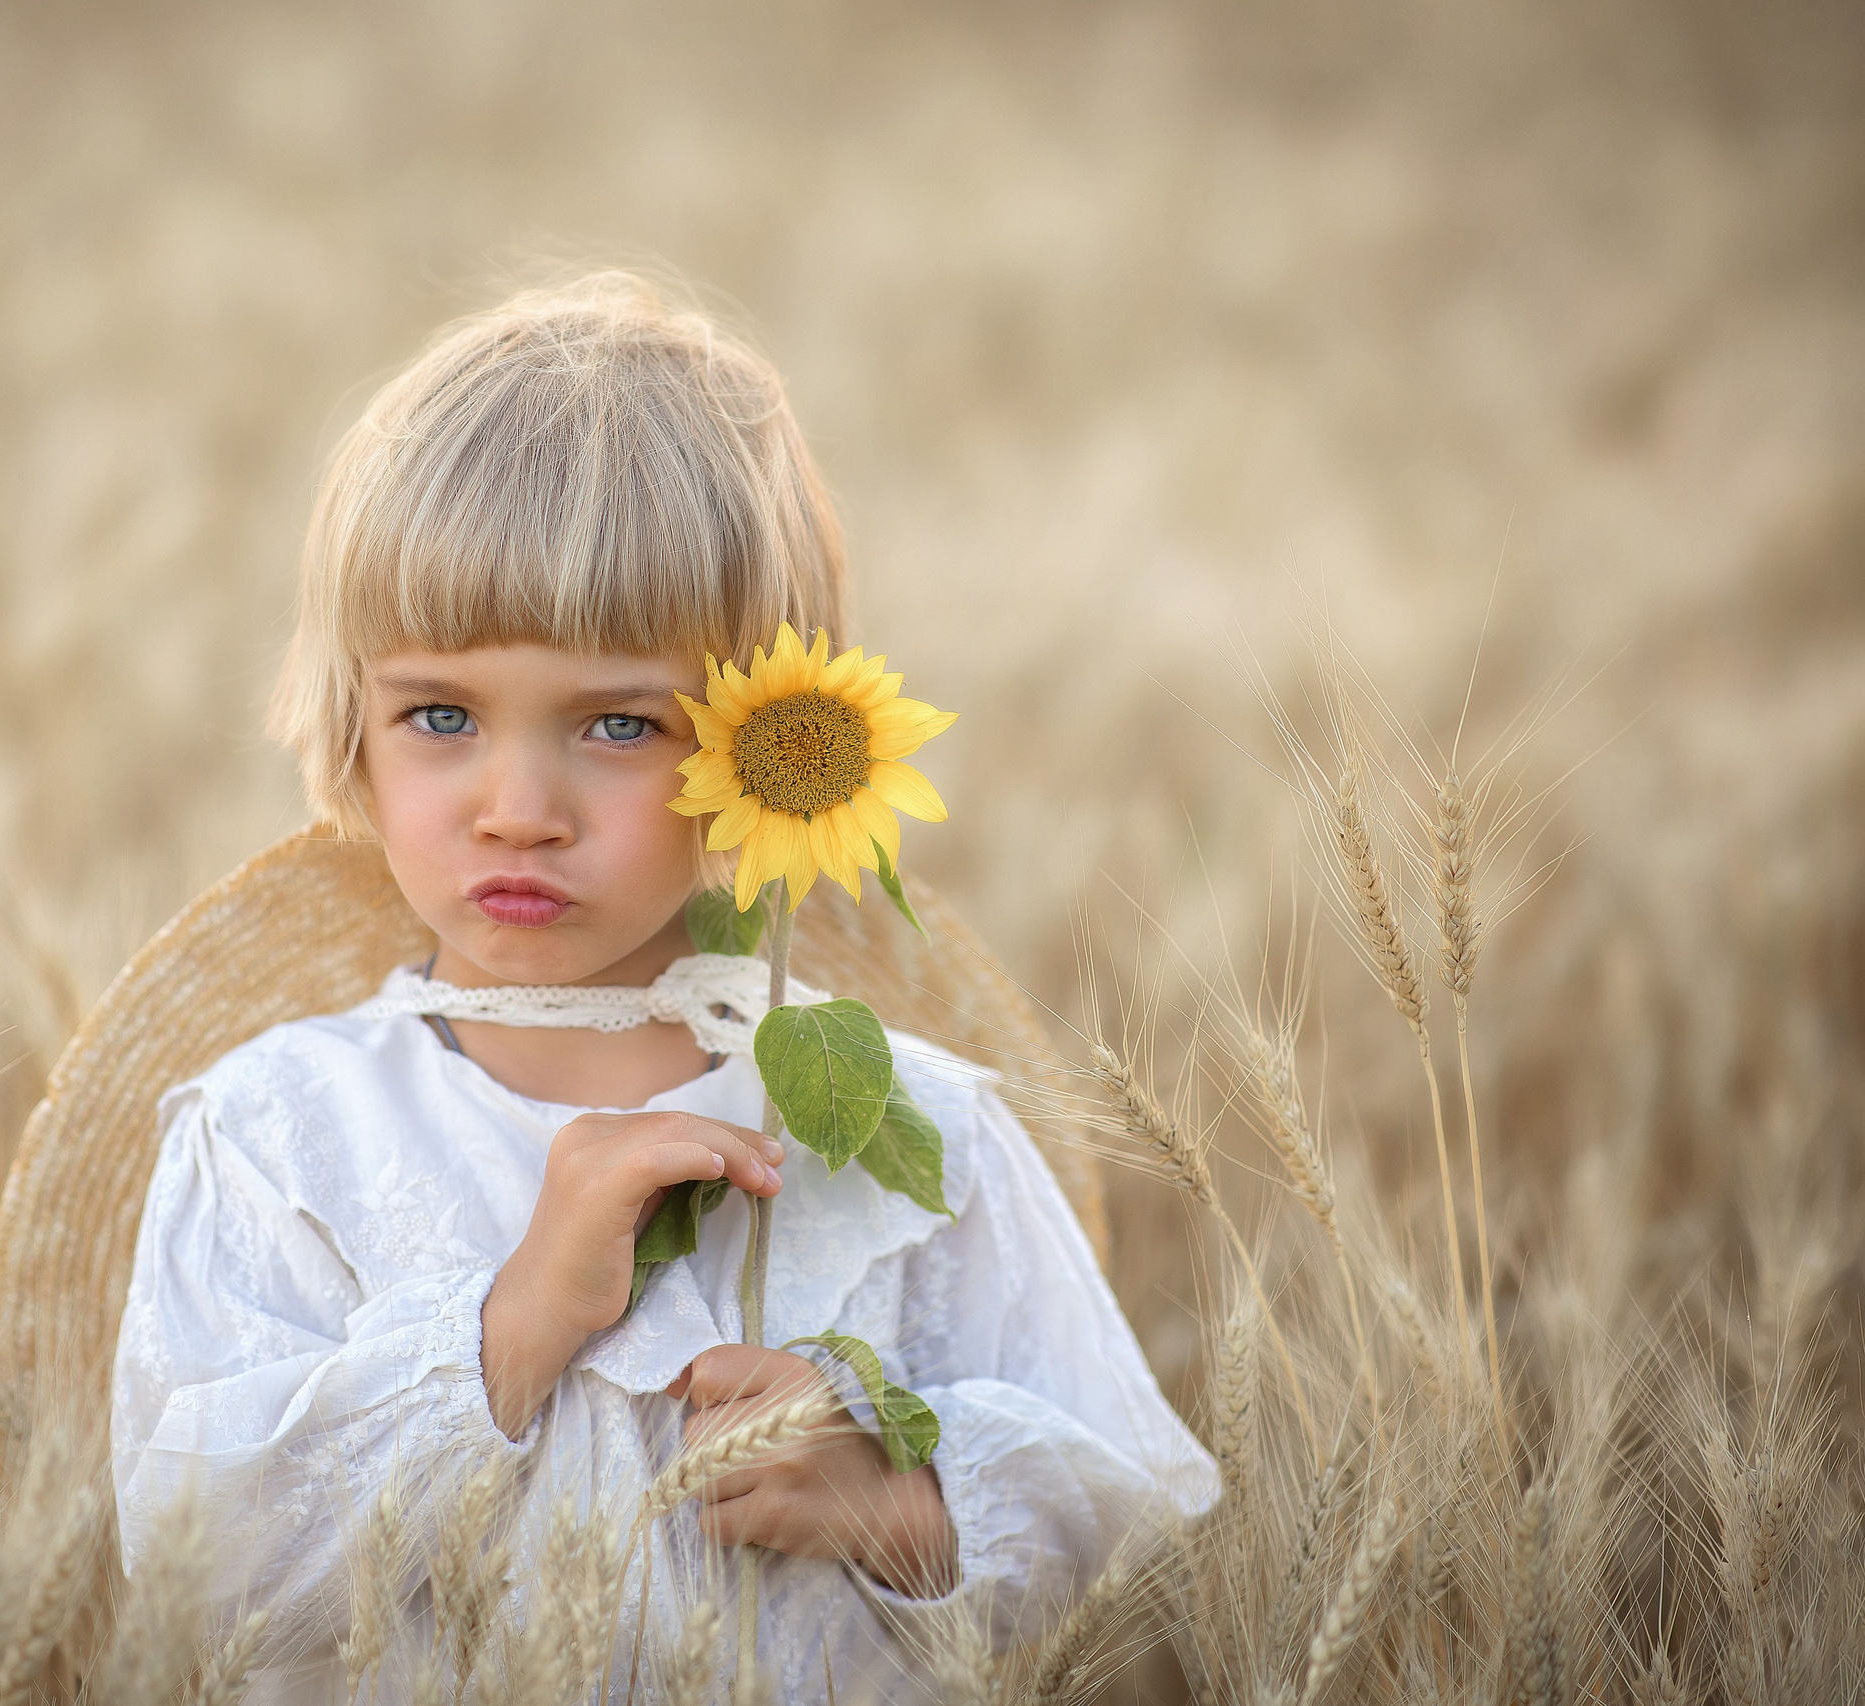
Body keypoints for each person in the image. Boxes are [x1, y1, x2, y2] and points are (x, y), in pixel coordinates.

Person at [109, 270, 1216, 1702]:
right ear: (351, 728)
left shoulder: (895, 1138)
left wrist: (906, 1507)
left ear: (764, 745)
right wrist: (504, 1337)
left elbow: (1143, 1559)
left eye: (619, 722)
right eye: (439, 714)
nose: (519, 804)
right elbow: (192, 1573)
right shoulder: (278, 1140)